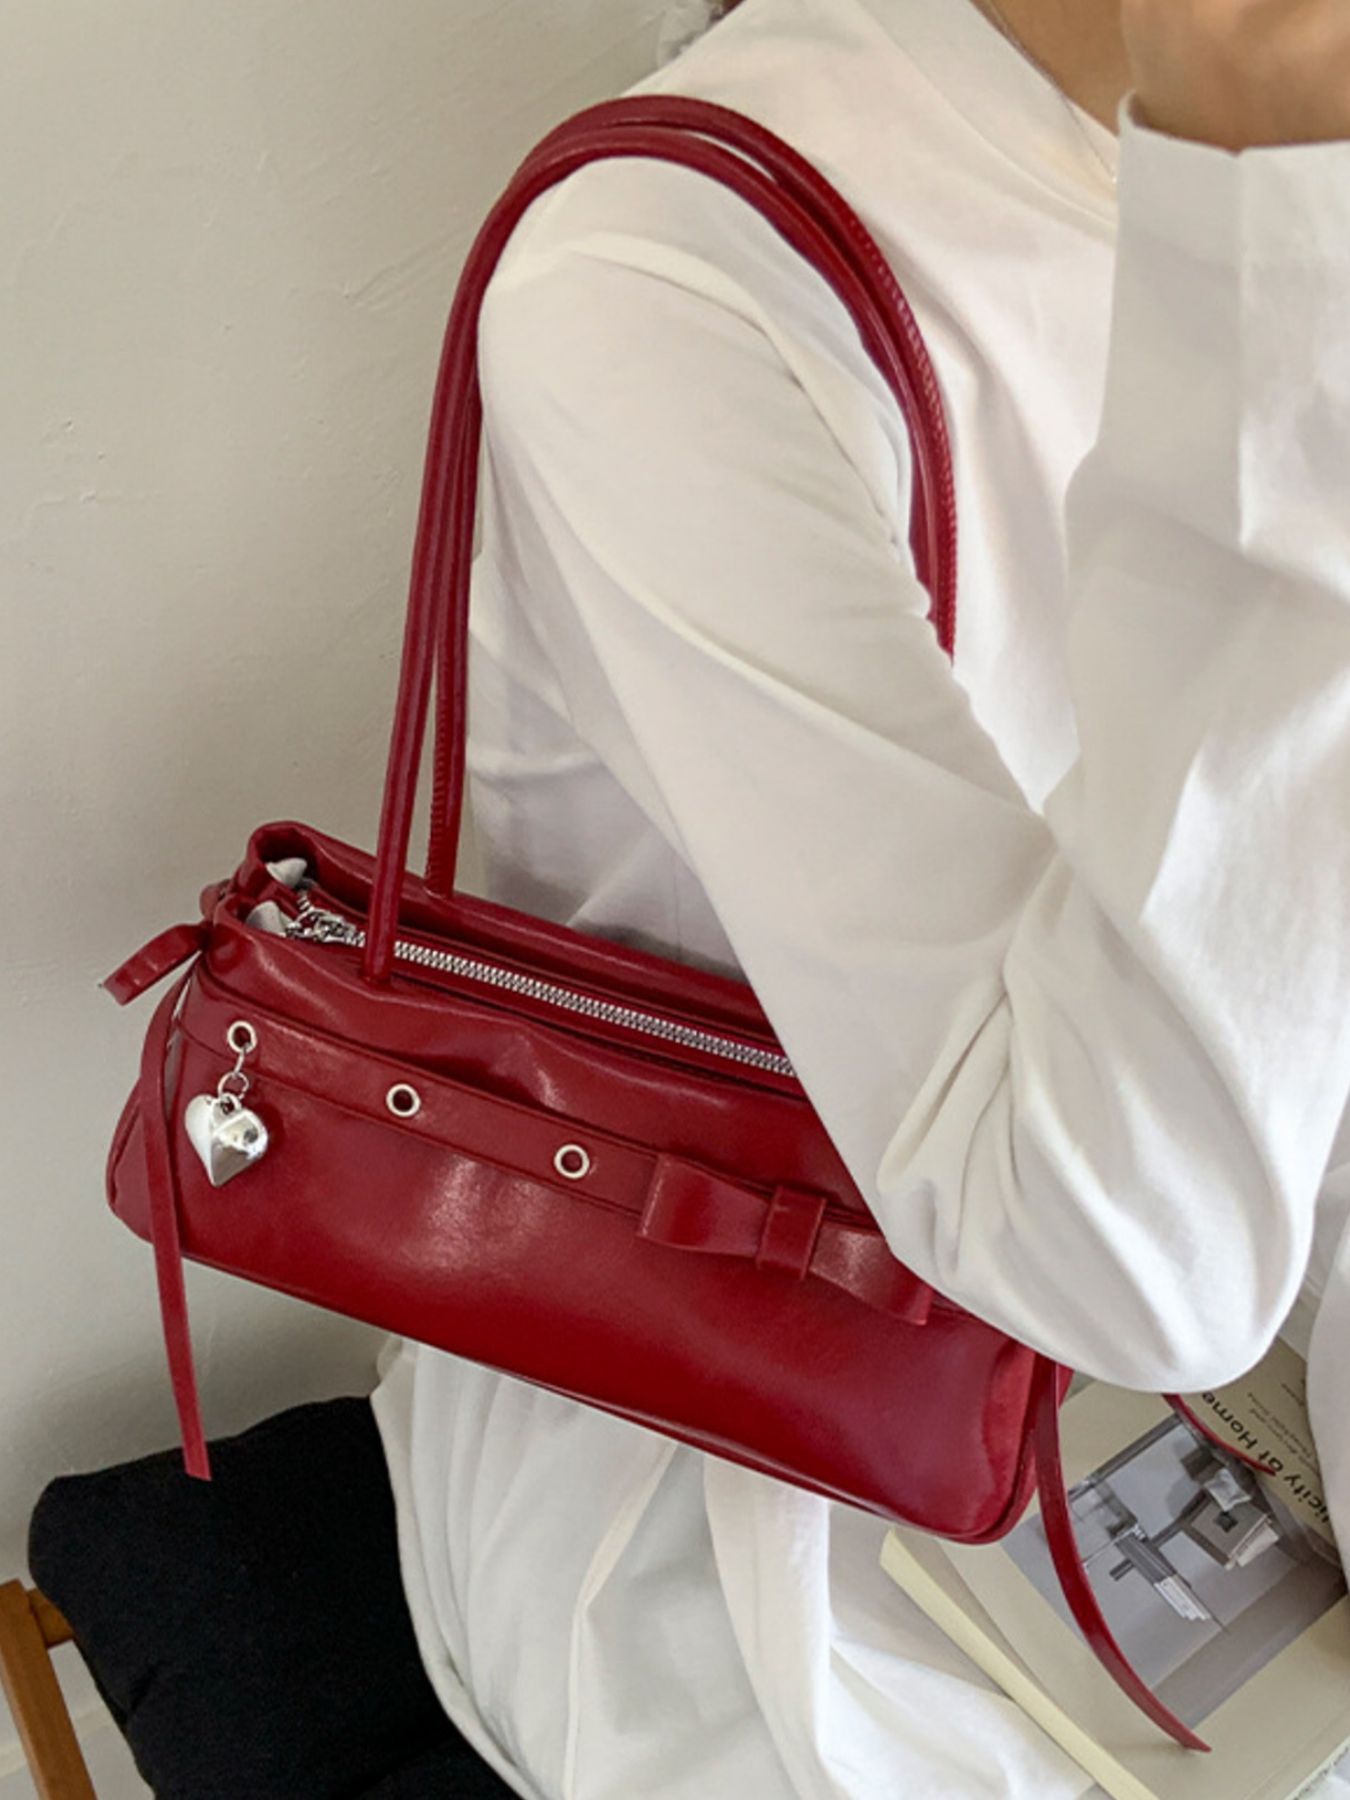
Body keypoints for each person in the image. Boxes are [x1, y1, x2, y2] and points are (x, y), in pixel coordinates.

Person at [366, 1, 1350, 1795]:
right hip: (772, 1492)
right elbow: (1129, 1269)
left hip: (1226, 1315)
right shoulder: (673, 276)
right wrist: (1276, 203)